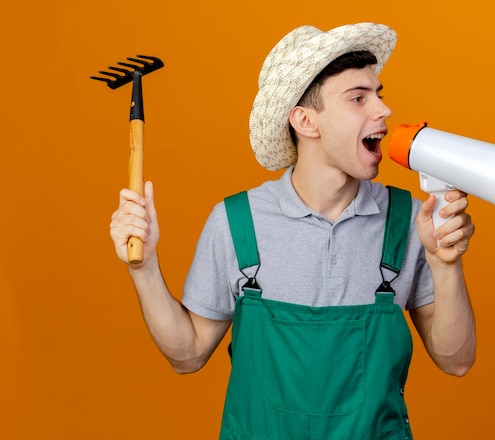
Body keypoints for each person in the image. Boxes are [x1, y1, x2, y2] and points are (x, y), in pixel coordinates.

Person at [110, 22, 476, 439]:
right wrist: (144, 267)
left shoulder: (411, 221)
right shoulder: (237, 222)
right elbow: (187, 354)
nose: (383, 110)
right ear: (305, 121)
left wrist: (445, 263)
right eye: (358, 98)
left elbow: (456, 360)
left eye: (378, 94)